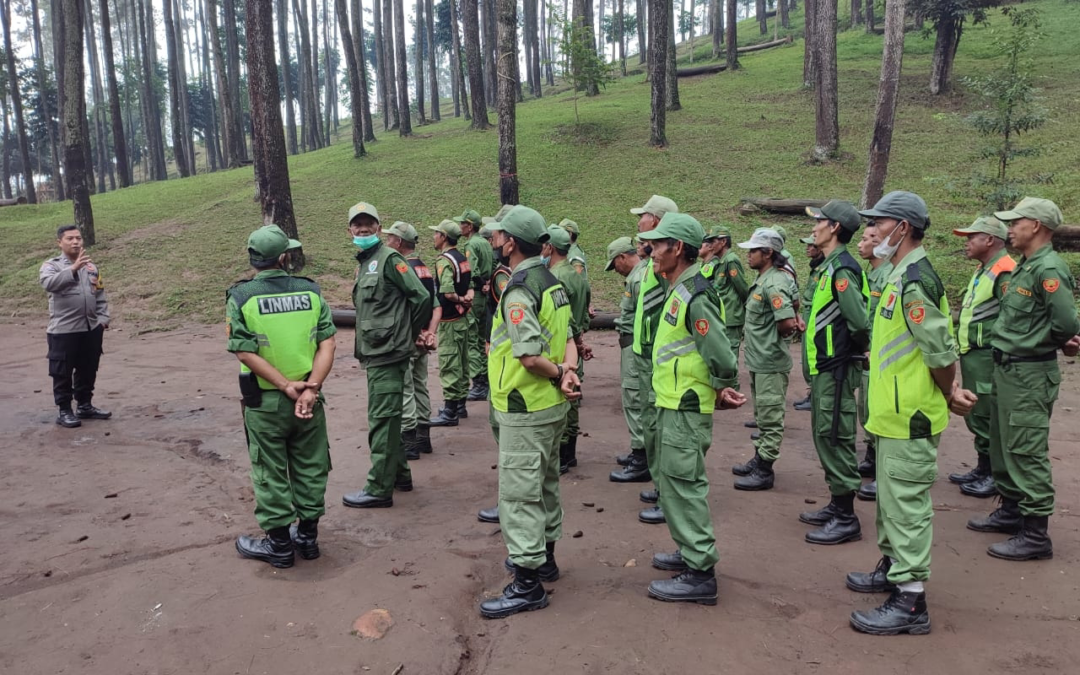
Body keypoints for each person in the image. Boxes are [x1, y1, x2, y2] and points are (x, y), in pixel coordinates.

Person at [846, 191, 976, 636]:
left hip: (911, 415)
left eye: (878, 223)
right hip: (891, 415)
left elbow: (940, 353)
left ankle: (911, 600)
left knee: (906, 506)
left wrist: (949, 392)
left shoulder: (915, 281)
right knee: (890, 502)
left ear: (902, 228)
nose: (871, 230)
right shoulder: (897, 275)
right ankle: (892, 567)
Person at [478, 205, 581, 619]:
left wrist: (557, 373)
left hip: (525, 405)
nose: (493, 240)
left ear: (510, 243)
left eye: (497, 235)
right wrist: (569, 371)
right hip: (552, 407)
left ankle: (527, 584)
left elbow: (529, 356)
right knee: (546, 483)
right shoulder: (552, 282)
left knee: (520, 494)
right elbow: (569, 337)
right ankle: (546, 559)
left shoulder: (520, 289)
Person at [639, 212, 746, 605]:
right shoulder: (678, 287)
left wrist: (722, 385)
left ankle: (700, 573)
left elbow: (720, 352)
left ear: (678, 248)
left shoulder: (696, 294)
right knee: (671, 483)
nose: (650, 250)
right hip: (672, 402)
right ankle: (689, 550)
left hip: (685, 406)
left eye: (657, 244)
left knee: (684, 485)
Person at [968, 198, 1080, 561]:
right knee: (1004, 444)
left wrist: (1046, 342)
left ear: (1036, 226)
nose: (1010, 229)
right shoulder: (1024, 266)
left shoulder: (1049, 269)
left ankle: (1035, 534)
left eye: (1016, 223)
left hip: (1029, 373)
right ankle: (1012, 510)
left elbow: (1066, 323)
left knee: (1026, 449)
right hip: (1008, 370)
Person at [226, 225, 336, 568]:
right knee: (311, 465)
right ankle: (308, 538)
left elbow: (244, 352)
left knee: (269, 470)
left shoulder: (241, 297)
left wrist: (285, 386)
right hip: (309, 400)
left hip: (266, 403)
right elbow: (328, 344)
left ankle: (279, 545)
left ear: (253, 259)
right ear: (285, 257)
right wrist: (310, 387)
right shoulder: (311, 292)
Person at [342, 202, 433, 509]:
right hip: (376, 352)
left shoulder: (390, 259)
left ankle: (379, 488)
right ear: (349, 230)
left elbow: (421, 297)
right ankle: (400, 475)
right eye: (357, 224)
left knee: (382, 420)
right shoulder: (366, 262)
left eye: (368, 224)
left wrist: (408, 333)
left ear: (379, 228)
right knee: (390, 418)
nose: (363, 229)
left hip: (388, 353)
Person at [798, 201, 870, 545]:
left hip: (836, 368)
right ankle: (836, 502)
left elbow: (859, 322)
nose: (814, 227)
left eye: (820, 221)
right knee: (824, 434)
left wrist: (850, 351)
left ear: (835, 227)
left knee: (835, 437)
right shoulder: (828, 267)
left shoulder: (842, 269)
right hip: (825, 367)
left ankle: (846, 516)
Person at [611, 195, 679, 531]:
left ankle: (671, 496)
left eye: (644, 216)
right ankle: (663, 486)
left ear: (657, 220)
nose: (638, 222)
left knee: (665, 428)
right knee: (652, 423)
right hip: (647, 355)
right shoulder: (653, 264)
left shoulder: (669, 265)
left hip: (660, 360)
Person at [948, 217, 1016, 498]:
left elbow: (1012, 316)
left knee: (988, 415)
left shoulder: (1004, 271)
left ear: (989, 240)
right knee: (977, 413)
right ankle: (982, 466)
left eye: (971, 237)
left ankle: (994, 474)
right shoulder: (984, 269)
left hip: (988, 355)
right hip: (973, 354)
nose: (966, 243)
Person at [731, 229, 798, 491]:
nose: (748, 255)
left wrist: (776, 336)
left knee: (770, 417)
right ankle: (760, 457)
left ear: (768, 253)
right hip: (759, 360)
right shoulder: (764, 279)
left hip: (770, 360)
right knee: (762, 415)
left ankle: (765, 468)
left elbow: (787, 321)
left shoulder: (774, 283)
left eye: (753, 251)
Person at [40, 225, 112, 428]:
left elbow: (100, 294)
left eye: (78, 238)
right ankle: (64, 410)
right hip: (64, 330)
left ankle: (85, 405)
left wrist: (102, 320)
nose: (75, 242)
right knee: (62, 372)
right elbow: (49, 284)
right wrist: (73, 268)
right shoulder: (51, 266)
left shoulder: (91, 267)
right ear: (60, 242)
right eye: (70, 238)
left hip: (91, 328)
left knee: (88, 368)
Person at [382, 221, 439, 460]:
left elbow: (405, 307)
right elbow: (436, 306)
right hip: (423, 340)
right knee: (420, 385)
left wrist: (415, 333)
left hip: (408, 339)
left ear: (398, 242)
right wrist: (430, 333)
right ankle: (424, 438)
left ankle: (410, 444)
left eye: (389, 238)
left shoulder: (401, 269)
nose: (386, 241)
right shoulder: (424, 268)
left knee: (405, 389)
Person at [476, 210, 516, 526]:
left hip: (509, 370)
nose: (493, 241)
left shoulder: (508, 277)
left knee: (511, 444)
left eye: (497, 235)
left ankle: (511, 505)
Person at [544, 225, 591, 474]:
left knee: (562, 398)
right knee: (573, 397)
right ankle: (569, 453)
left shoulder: (555, 277)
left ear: (550, 247)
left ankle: (561, 454)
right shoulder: (575, 274)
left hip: (562, 344)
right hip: (575, 343)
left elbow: (564, 317)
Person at [854, 222, 894, 502]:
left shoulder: (889, 275)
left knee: (878, 409)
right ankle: (871, 455)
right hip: (868, 353)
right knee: (866, 407)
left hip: (880, 355)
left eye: (869, 238)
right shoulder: (871, 273)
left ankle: (884, 468)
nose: (861, 243)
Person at [607, 237, 646, 483]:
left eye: (615, 264)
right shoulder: (637, 276)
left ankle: (642, 458)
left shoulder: (639, 278)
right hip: (631, 344)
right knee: (633, 397)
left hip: (636, 345)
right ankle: (639, 450)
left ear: (622, 257)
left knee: (634, 398)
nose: (615, 270)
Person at [428, 220, 474, 427]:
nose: (434, 237)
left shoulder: (444, 261)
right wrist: (467, 298)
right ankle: (460, 406)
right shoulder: (462, 258)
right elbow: (470, 283)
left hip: (449, 320)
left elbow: (447, 291)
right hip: (463, 318)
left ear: (444, 237)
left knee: (449, 363)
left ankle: (450, 412)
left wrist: (459, 299)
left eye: (436, 233)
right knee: (463, 362)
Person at [457, 210, 494, 402]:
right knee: (482, 338)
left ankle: (479, 383)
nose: (460, 227)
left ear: (470, 226)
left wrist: (479, 284)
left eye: (462, 223)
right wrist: (488, 284)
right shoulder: (486, 242)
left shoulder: (471, 244)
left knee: (472, 338)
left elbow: (473, 270)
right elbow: (493, 266)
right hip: (486, 295)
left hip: (476, 295)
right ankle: (486, 379)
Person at [700, 225, 749, 368]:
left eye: (713, 241)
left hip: (731, 315)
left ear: (723, 242)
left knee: (730, 353)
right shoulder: (721, 261)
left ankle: (732, 379)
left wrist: (743, 308)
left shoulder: (730, 260)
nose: (711, 245)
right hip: (723, 314)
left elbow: (742, 287)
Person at [794, 235, 825, 412]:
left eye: (811, 245)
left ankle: (815, 395)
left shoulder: (823, 269)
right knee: (806, 356)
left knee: (812, 356)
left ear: (820, 248)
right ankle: (812, 393)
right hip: (808, 312)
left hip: (814, 313)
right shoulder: (815, 268)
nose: (807, 248)